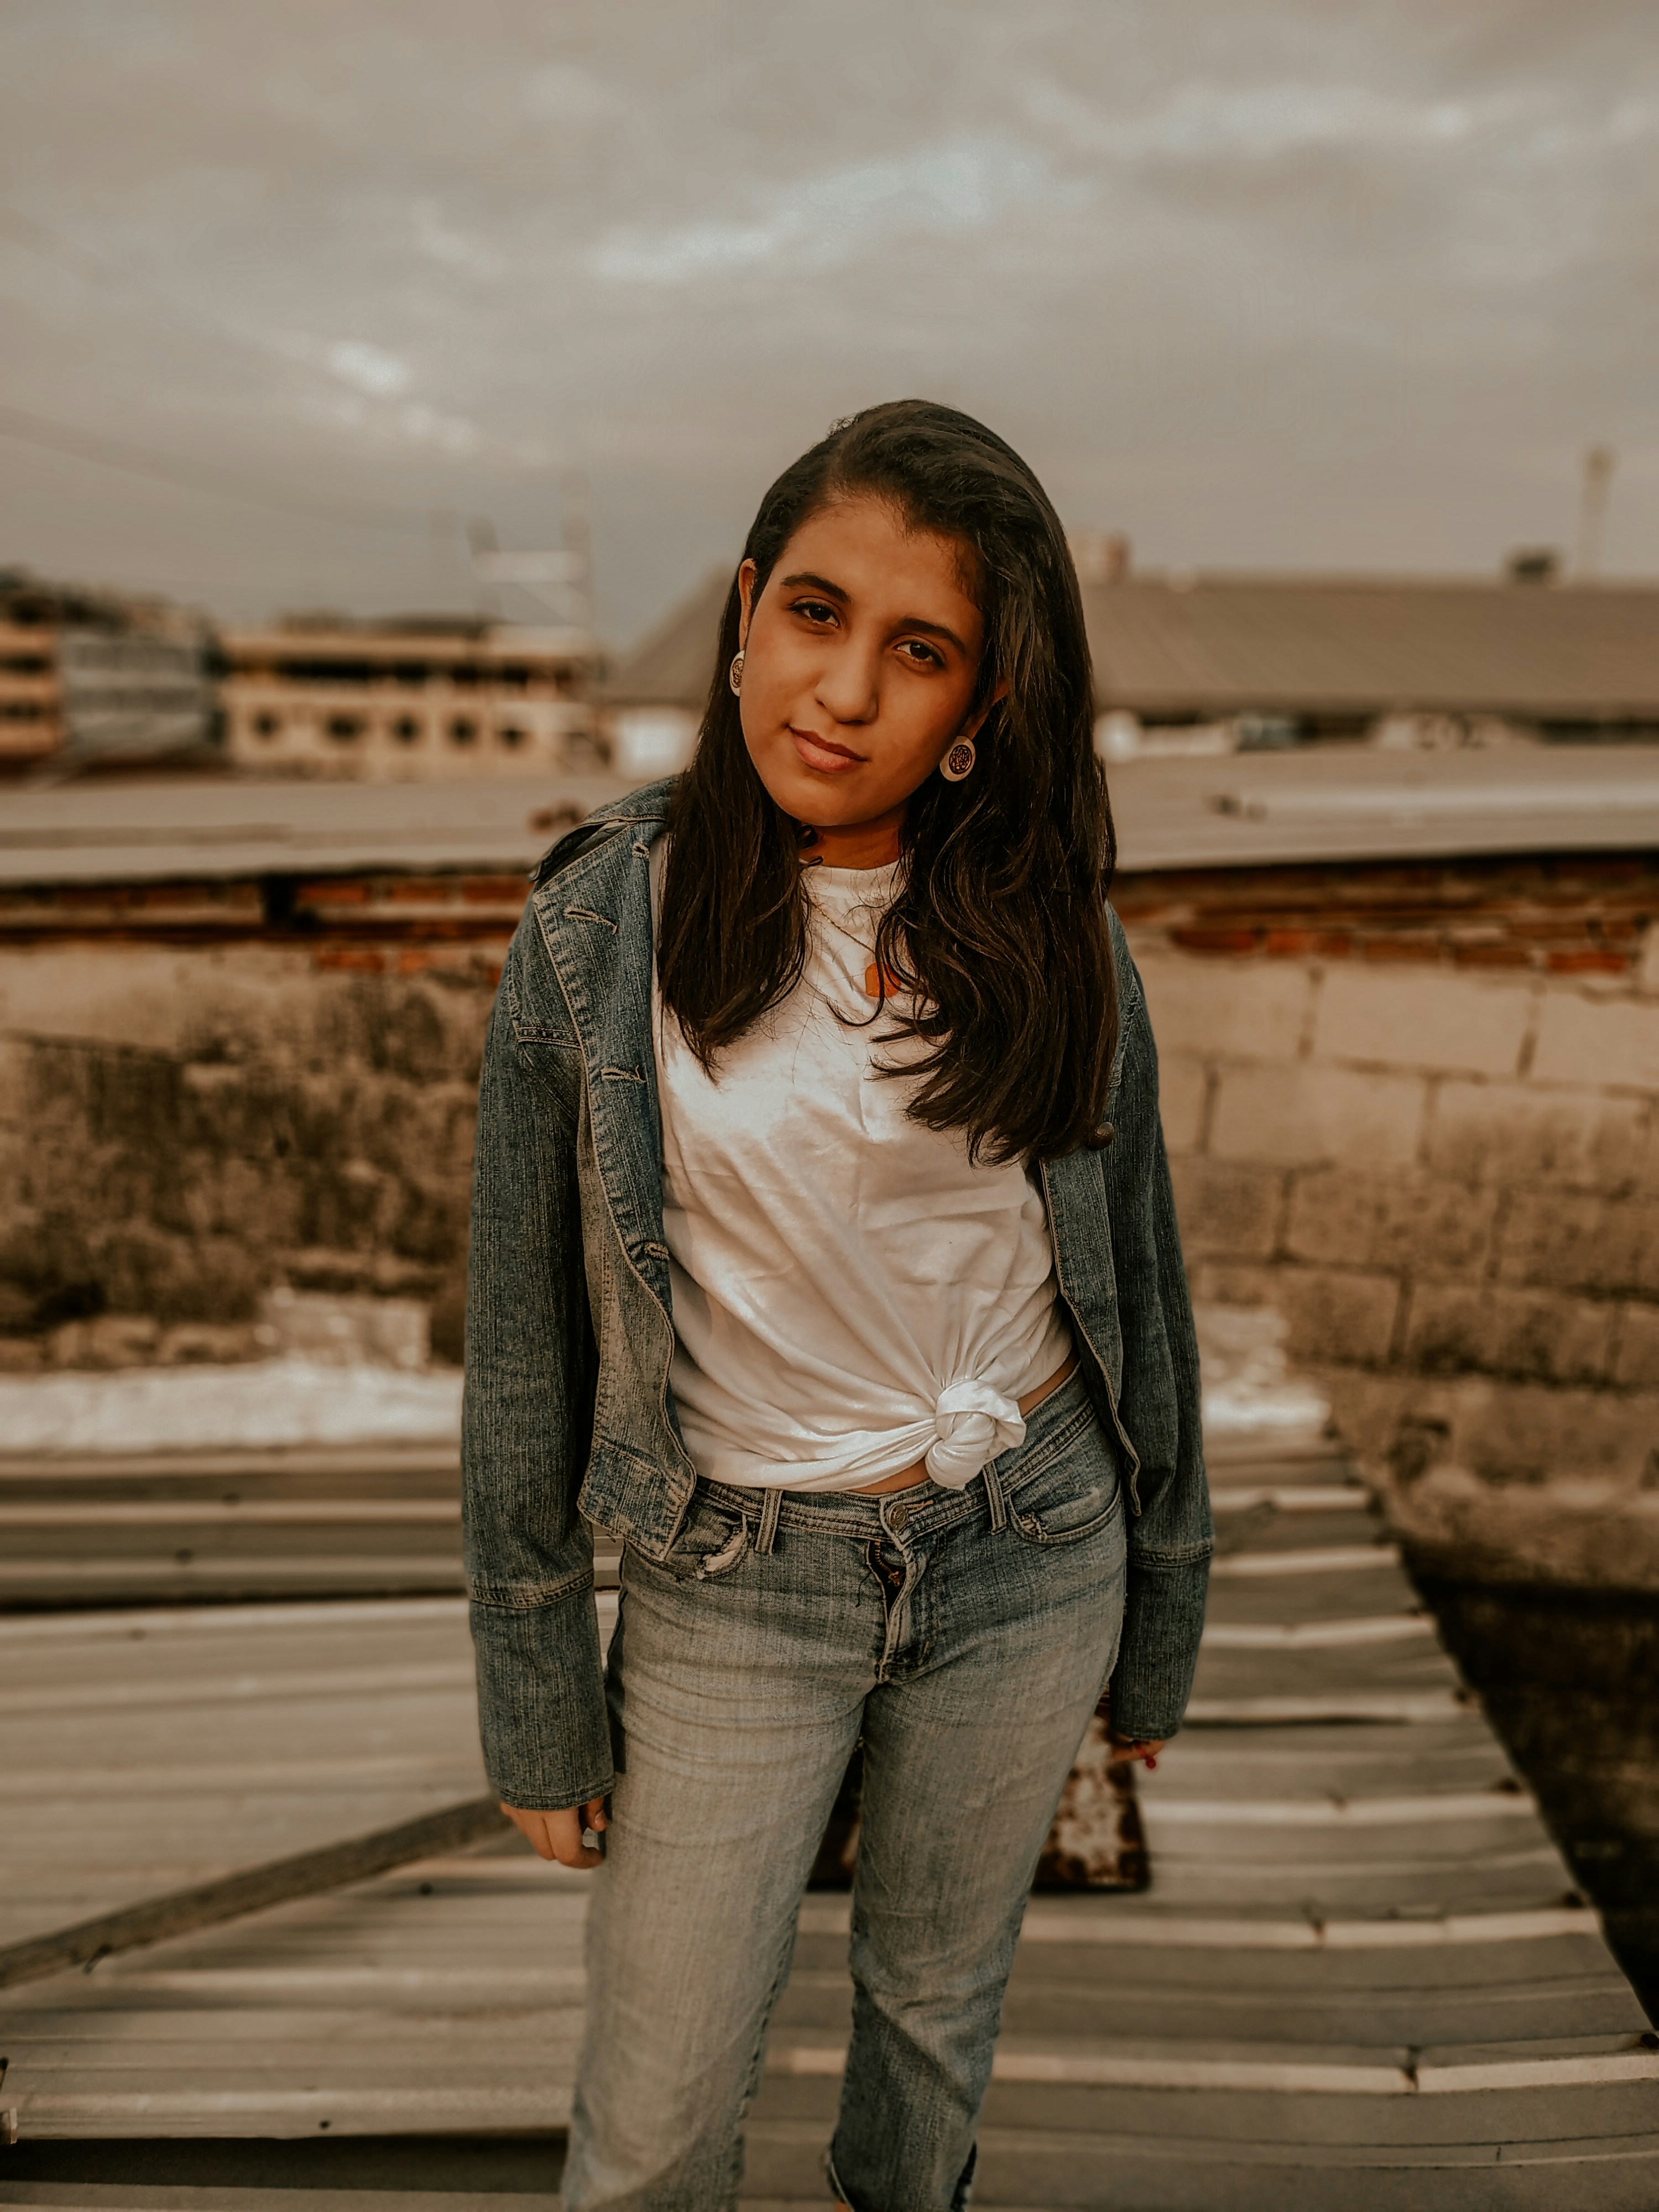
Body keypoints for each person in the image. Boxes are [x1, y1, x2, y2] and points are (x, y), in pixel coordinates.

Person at [462, 399, 1211, 2211]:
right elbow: (520, 1355)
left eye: (920, 651)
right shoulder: (596, 931)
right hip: (739, 1588)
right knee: (652, 2115)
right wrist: (537, 1693)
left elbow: (1140, 1299)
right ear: (741, 615)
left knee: (931, 2030)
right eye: (814, 613)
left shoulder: (1062, 944)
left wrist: (1158, 1620)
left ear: (983, 711)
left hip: (1028, 1556)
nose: (846, 689)